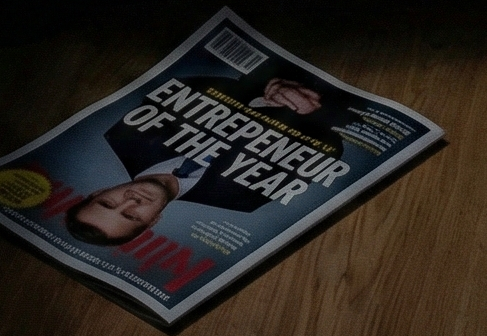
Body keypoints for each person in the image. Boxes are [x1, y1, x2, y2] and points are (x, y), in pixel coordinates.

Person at [65, 74, 341, 244]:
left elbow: (207, 83)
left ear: (99, 191)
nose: (130, 201)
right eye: (131, 216)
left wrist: (271, 86)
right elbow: (328, 151)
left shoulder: (126, 135)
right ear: (153, 222)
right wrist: (316, 109)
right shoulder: (244, 200)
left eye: (108, 203)